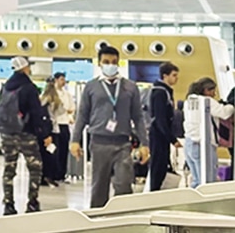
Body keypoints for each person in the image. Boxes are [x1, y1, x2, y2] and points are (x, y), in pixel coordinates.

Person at [70, 44, 149, 208]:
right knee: (99, 186)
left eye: (113, 62)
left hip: (122, 143)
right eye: (106, 61)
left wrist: (144, 143)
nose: (110, 65)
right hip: (99, 143)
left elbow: (138, 117)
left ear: (118, 63)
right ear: (99, 63)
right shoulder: (91, 87)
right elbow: (82, 115)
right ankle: (98, 222)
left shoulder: (130, 87)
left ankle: (122, 219)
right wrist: (75, 140)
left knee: (124, 184)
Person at [1, 57, 53, 215]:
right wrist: (44, 134)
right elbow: (37, 113)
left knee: (9, 169)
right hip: (26, 135)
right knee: (35, 168)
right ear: (24, 68)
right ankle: (32, 201)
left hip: (7, 134)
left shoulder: (6, 86)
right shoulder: (29, 87)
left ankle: (8, 204)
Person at [184, 77, 235, 187]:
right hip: (204, 145)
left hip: (189, 143)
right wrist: (231, 105)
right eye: (213, 90)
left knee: (197, 180)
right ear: (206, 90)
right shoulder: (206, 101)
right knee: (208, 181)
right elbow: (224, 113)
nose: (214, 94)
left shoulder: (188, 101)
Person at [148, 62, 180, 192]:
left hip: (162, 134)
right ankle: (154, 193)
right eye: (174, 75)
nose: (176, 78)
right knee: (158, 166)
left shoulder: (166, 91)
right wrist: (172, 139)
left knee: (162, 165)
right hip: (158, 134)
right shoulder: (160, 93)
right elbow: (160, 119)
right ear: (165, 76)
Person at [39, 76, 65, 187]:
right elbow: (61, 112)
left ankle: (42, 176)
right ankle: (50, 175)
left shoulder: (41, 98)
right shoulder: (56, 99)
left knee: (43, 154)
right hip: (53, 130)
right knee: (53, 154)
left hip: (42, 131)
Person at [52, 72, 76, 182]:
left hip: (65, 124)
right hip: (54, 125)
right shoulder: (52, 94)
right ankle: (54, 173)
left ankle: (62, 173)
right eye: (61, 79)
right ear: (56, 80)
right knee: (55, 150)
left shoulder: (68, 95)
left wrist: (66, 112)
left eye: (64, 79)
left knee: (63, 150)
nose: (63, 82)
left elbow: (71, 109)